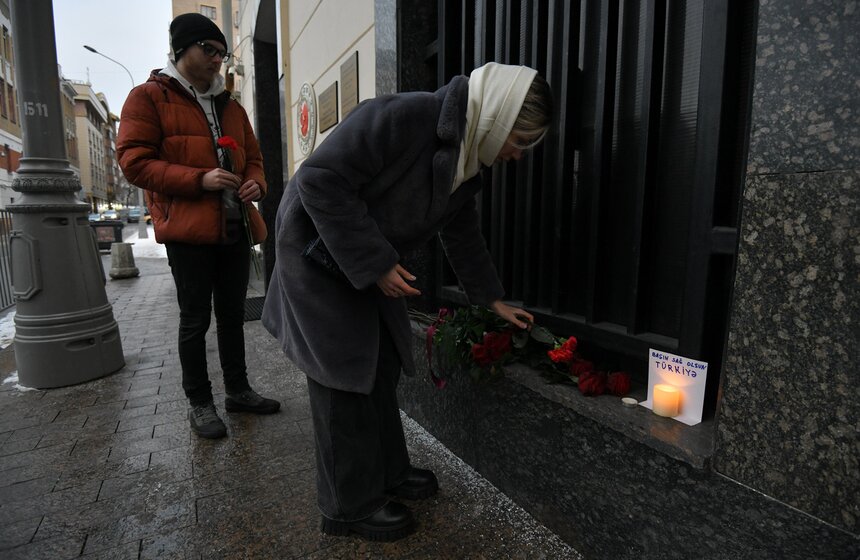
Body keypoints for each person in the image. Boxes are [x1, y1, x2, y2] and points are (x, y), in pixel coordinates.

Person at [262, 62, 553, 541]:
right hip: (317, 253)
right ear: (497, 118)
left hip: (363, 261)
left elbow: (463, 235)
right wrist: (376, 262)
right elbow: (318, 180)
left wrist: (492, 300)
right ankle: (346, 506)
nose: (517, 155)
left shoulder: (467, 156)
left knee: (383, 363)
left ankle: (388, 473)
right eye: (519, 141)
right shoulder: (406, 116)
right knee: (343, 376)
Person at [117, 13, 280, 439]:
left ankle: (238, 390)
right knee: (195, 320)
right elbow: (134, 162)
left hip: (234, 224)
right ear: (182, 48)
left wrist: (255, 185)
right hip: (188, 230)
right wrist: (198, 179)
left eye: (222, 53)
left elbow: (256, 160)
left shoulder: (231, 105)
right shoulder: (148, 98)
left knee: (230, 315)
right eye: (209, 50)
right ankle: (199, 402)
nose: (217, 60)